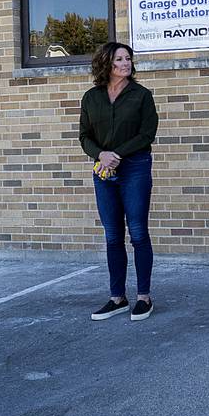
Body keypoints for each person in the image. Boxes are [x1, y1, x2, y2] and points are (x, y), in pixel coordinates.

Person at [79, 41, 158, 322]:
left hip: (134, 167)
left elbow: (147, 134)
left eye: (128, 59)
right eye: (119, 59)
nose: (126, 64)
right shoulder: (91, 97)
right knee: (112, 235)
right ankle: (117, 297)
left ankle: (144, 297)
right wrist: (101, 155)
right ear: (106, 64)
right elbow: (84, 136)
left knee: (137, 232)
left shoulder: (141, 96)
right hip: (104, 171)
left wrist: (116, 155)